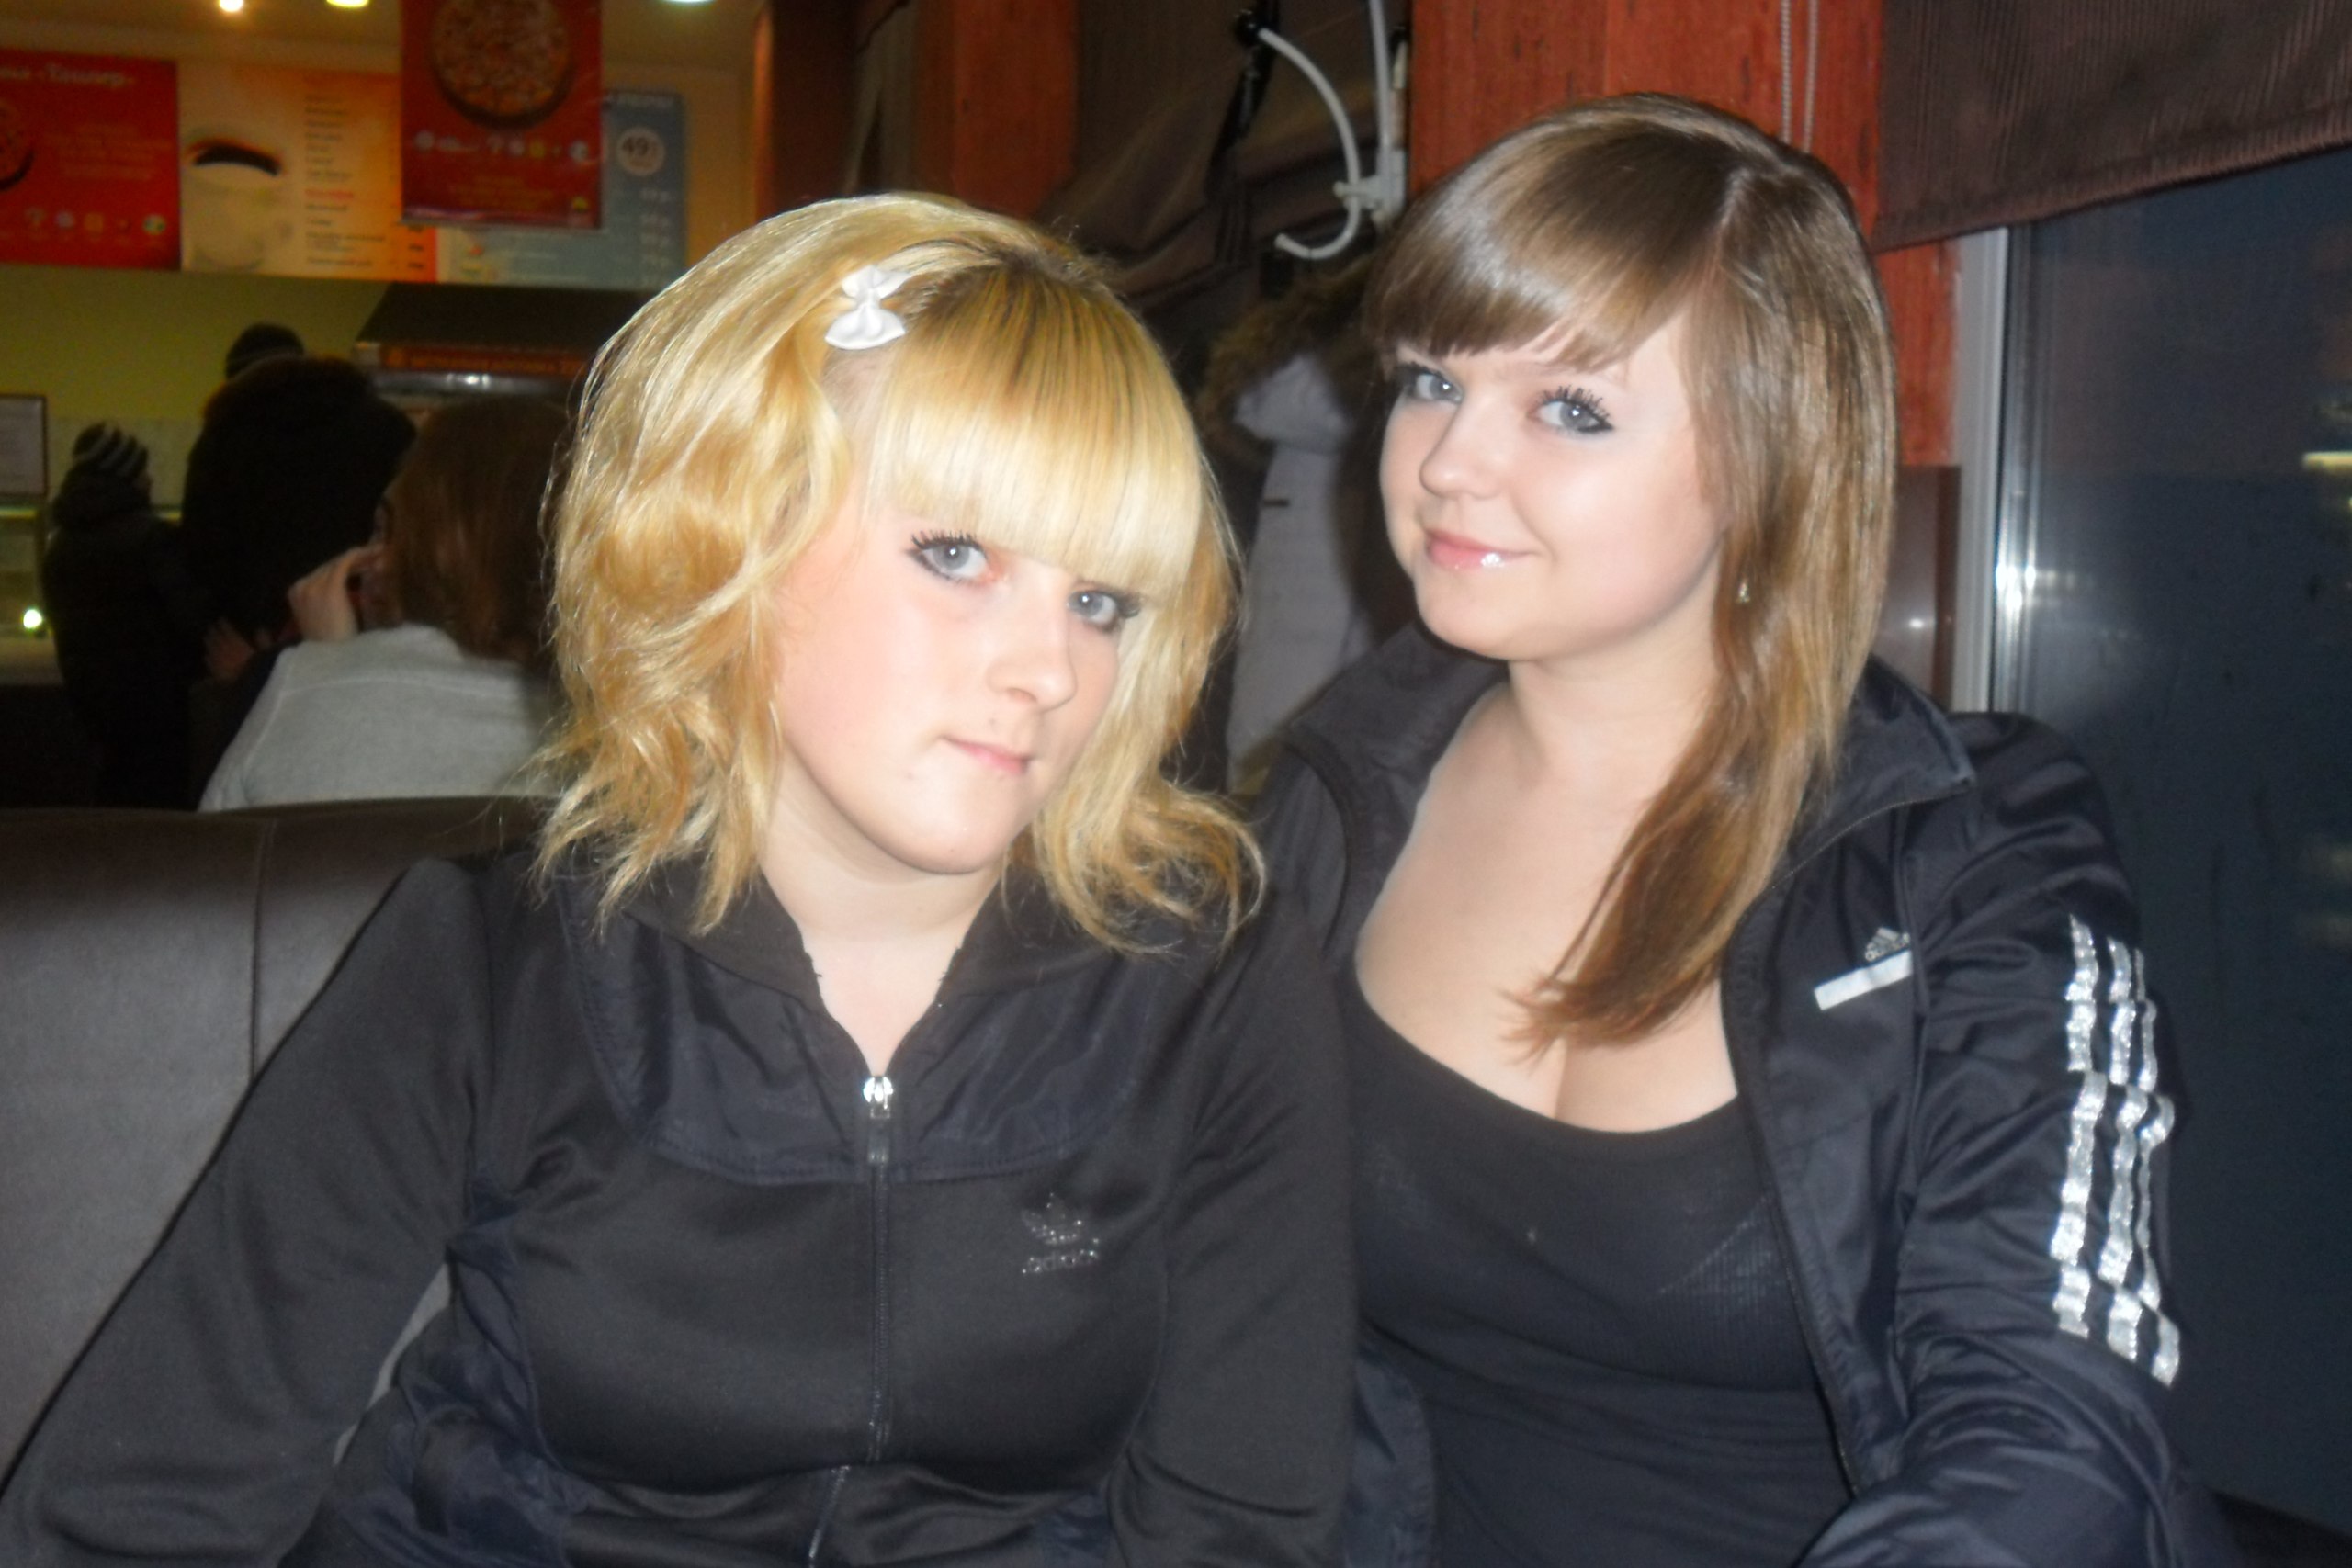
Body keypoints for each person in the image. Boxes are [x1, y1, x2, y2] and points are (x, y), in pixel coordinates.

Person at [0, 193, 1352, 1566]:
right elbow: (139, 1510)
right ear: (729, 542)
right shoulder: (491, 965)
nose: (1049, 670)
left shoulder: (1217, 981)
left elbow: (1238, 1528)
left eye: (1101, 600)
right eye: (956, 555)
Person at [1255, 96, 2238, 1567]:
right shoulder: (1332, 796)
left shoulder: (1970, 854)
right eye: (1430, 380)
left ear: (1767, 458)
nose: (1449, 461)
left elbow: (2053, 1428)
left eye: (1570, 409)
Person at [198, 395, 566, 808]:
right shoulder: (602, 723)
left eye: (388, 532)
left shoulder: (293, 685)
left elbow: (220, 833)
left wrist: (327, 667)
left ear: (433, 546)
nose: (370, 560)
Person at [177, 352, 417, 779]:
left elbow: (200, 554)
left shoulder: (226, 435)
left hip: (245, 647)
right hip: (367, 637)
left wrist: (253, 659)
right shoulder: (385, 427)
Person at [37, 423, 208, 807]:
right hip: (161, 712)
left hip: (94, 709)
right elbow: (190, 620)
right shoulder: (152, 539)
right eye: (141, 470)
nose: (149, 479)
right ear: (126, 475)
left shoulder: (60, 545)